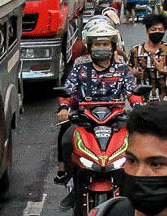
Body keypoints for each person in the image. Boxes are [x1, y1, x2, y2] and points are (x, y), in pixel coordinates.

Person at [57, 20, 137, 185]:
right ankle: (69, 176)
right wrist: (64, 108)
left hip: (117, 119)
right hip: (85, 118)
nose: (102, 47)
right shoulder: (80, 69)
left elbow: (132, 93)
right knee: (66, 138)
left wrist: (139, 107)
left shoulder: (122, 70)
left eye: (105, 43)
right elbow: (68, 92)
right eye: (98, 44)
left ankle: (134, 176)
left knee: (138, 139)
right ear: (90, 46)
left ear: (112, 46)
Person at [128, 14, 167, 100]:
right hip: (143, 99)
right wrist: (134, 73)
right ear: (147, 31)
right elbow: (128, 67)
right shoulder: (136, 51)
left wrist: (163, 71)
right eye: (153, 29)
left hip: (165, 100)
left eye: (160, 29)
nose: (157, 32)